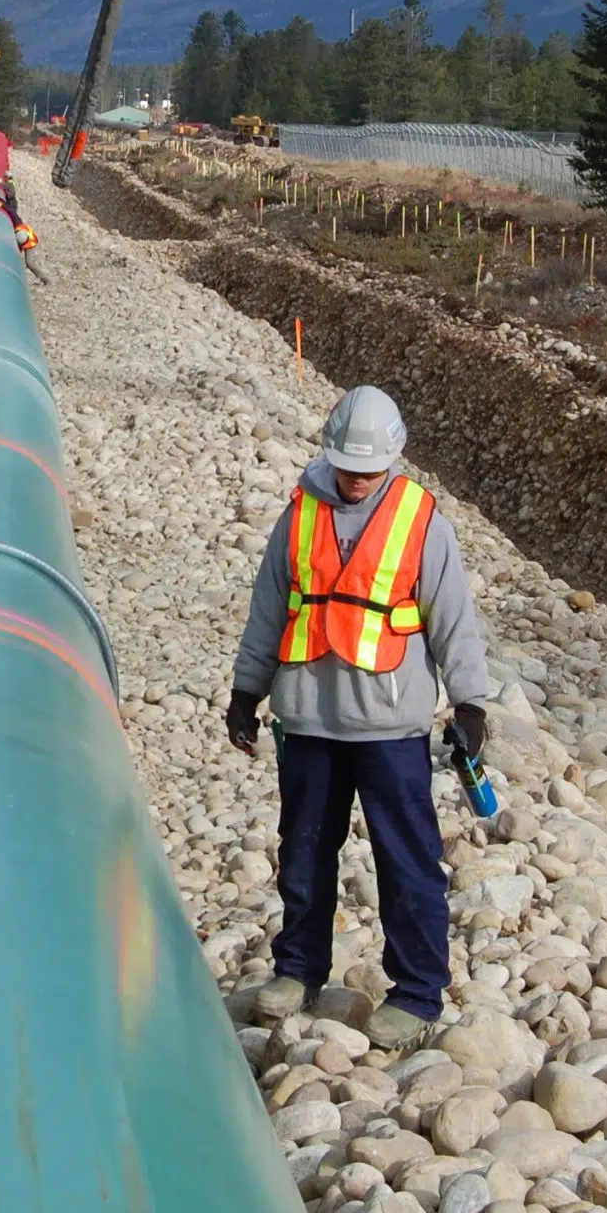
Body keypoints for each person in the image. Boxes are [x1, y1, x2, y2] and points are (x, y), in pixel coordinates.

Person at [226, 385, 489, 1052]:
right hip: (310, 720)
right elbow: (269, 608)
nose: (355, 480)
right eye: (346, 467)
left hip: (390, 729)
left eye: (367, 472)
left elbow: (453, 621)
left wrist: (471, 704)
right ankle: (298, 969)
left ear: (394, 460)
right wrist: (245, 692)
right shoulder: (300, 513)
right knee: (304, 852)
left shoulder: (421, 520)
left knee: (408, 862)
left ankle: (418, 991)